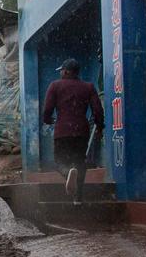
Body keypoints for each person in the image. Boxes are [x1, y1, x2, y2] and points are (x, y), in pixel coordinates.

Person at [42, 58, 104, 202]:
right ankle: (78, 199)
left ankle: (66, 172)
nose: (60, 73)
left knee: (59, 161)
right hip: (81, 132)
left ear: (66, 71)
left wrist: (47, 120)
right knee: (80, 163)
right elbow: (98, 110)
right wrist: (100, 126)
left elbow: (47, 110)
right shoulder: (88, 87)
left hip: (62, 131)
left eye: (62, 70)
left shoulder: (55, 86)